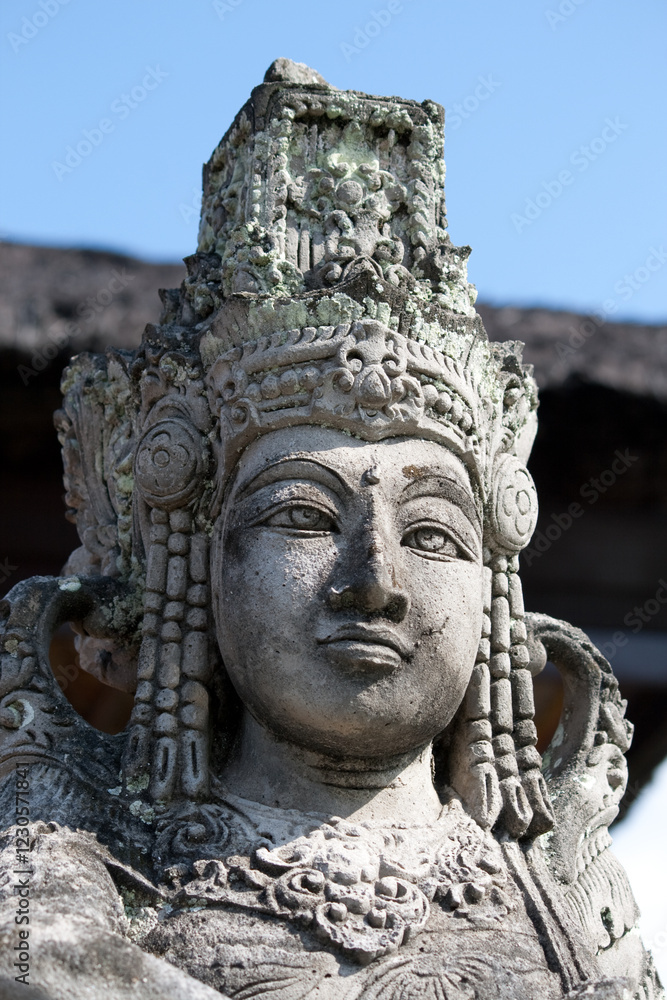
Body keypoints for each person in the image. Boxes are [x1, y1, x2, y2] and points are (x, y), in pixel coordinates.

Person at [0, 59, 661, 999]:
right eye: (303, 515)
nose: (373, 581)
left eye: (432, 533)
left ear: (495, 586)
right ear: (192, 550)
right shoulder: (70, 883)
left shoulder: (565, 908)